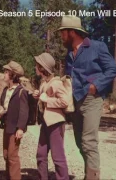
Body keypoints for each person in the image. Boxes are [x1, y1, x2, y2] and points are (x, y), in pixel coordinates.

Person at [57, 15, 116, 180]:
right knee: (79, 142)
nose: (61, 36)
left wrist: (96, 85)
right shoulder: (69, 54)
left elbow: (112, 69)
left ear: (72, 32)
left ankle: (93, 177)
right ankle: (89, 174)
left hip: (92, 99)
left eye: (63, 32)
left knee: (89, 141)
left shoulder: (97, 47)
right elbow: (69, 77)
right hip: (75, 101)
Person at [32, 52, 69, 180]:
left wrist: (47, 100)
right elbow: (44, 98)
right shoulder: (44, 82)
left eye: (37, 65)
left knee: (58, 157)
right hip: (46, 123)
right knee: (41, 155)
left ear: (42, 67)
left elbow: (65, 102)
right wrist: (38, 96)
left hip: (56, 124)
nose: (35, 67)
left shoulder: (56, 83)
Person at [0, 60, 29, 180]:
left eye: (6, 72)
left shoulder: (21, 91)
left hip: (15, 128)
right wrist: (0, 116)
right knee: (6, 154)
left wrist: (20, 128)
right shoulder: (5, 90)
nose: (4, 74)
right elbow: (5, 107)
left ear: (13, 75)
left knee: (12, 156)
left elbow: (24, 112)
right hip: (7, 127)